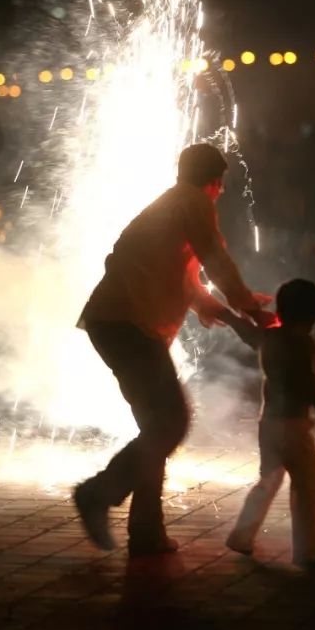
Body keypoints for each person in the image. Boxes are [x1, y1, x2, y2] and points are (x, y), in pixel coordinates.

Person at [73, 143, 273, 557]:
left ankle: (146, 532)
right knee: (170, 424)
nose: (219, 195)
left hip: (118, 323)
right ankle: (98, 493)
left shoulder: (171, 207)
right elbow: (215, 260)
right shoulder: (193, 202)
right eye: (220, 187)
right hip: (127, 325)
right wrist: (250, 307)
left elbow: (191, 288)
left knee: (157, 428)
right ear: (215, 182)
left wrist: (239, 320)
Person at [220, 278, 315, 569]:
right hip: (293, 425)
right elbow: (307, 383)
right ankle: (308, 552)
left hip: (269, 423)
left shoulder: (271, 337)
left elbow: (247, 333)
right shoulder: (303, 344)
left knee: (269, 480)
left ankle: (241, 536)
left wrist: (227, 314)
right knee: (309, 485)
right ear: (313, 316)